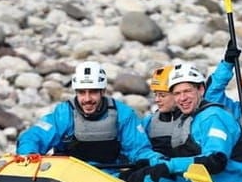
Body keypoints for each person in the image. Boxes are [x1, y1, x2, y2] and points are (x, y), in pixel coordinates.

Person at [126, 62, 242, 182]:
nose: (182, 98)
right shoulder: (191, 118)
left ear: (201, 89)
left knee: (148, 181)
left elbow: (216, 160)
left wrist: (169, 166)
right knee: (132, 176)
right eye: (177, 93)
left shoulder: (214, 117)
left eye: (187, 91)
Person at [16, 61, 159, 174]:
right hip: (68, 177)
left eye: (93, 92)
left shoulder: (123, 114)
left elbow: (139, 151)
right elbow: (35, 135)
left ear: (102, 91)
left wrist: (160, 162)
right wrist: (29, 152)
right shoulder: (64, 114)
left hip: (110, 178)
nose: (87, 99)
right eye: (82, 92)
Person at [141, 64, 179, 155]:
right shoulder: (149, 121)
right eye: (156, 95)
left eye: (162, 95)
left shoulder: (196, 118)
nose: (157, 100)